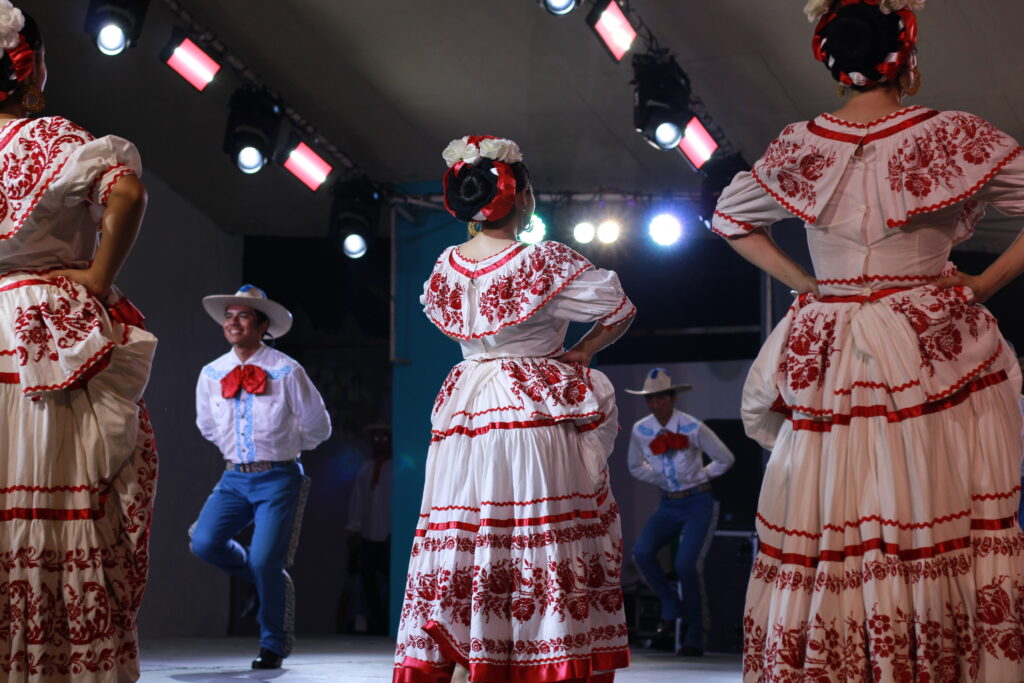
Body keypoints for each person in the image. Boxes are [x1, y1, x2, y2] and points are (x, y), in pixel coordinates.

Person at [711, 0, 1024, 678]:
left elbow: (730, 216)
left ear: (834, 64)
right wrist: (986, 283)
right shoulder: (945, 134)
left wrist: (805, 282)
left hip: (836, 347)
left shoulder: (802, 143)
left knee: (835, 512)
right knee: (928, 499)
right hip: (929, 344)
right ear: (905, 57)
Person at [393, 136, 636, 683]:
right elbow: (618, 307)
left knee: (471, 532)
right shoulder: (540, 261)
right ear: (521, 194)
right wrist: (581, 352)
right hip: (528, 409)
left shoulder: (446, 268)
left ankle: (468, 651)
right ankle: (538, 653)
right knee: (536, 529)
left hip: (467, 410)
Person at [0, 2, 157, 680]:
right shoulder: (56, 139)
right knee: (57, 500)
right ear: (30, 63)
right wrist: (96, 275)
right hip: (42, 343)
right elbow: (127, 194)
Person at [190, 285, 331, 670]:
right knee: (203, 543)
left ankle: (273, 643)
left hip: (279, 478)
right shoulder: (212, 372)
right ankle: (258, 575)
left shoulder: (286, 370)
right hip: (234, 477)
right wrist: (235, 451)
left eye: (244, 316)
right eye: (229, 316)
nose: (234, 322)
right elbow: (207, 424)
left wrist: (285, 446)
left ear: (262, 325)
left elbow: (318, 426)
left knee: (268, 560)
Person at [625, 368, 734, 657]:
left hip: (698, 501)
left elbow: (725, 458)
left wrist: (699, 476)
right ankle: (670, 603)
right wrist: (663, 479)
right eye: (651, 399)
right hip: (669, 502)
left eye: (661, 398)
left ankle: (695, 635)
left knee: (687, 564)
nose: (656, 404)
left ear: (672, 398)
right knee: (643, 552)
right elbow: (635, 466)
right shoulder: (641, 430)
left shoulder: (692, 426)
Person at [346, 422, 393, 635]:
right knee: (367, 582)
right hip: (368, 535)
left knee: (389, 582)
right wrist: (354, 528)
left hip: (389, 535)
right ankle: (374, 622)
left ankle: (389, 622)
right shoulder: (366, 468)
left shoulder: (395, 467)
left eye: (384, 438)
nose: (379, 443)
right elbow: (358, 500)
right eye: (375, 438)